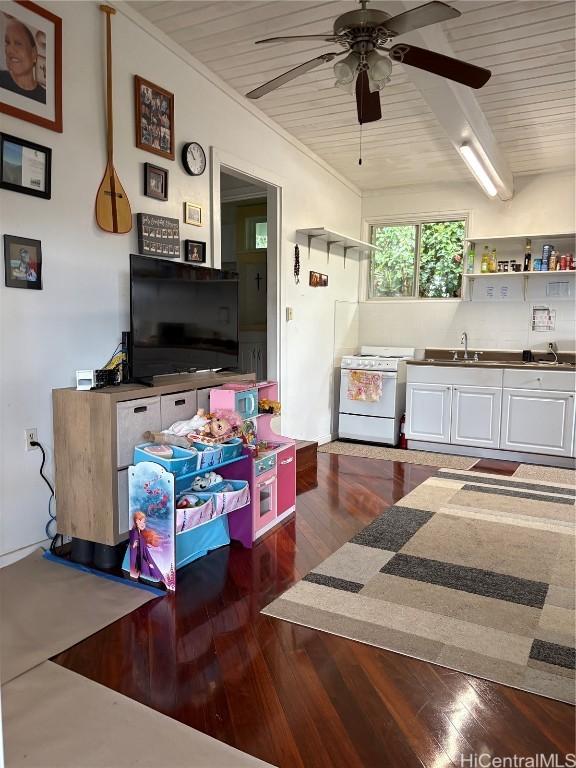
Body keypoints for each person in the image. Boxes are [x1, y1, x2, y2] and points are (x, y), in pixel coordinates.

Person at [0, 16, 46, 103]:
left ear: (33, 53)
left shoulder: (44, 97)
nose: (10, 50)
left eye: (18, 43)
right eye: (7, 42)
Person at [129, 510, 162, 582]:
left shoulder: (141, 534)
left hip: (142, 561)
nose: (143, 524)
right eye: (140, 521)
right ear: (136, 521)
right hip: (138, 563)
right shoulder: (135, 533)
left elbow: (143, 552)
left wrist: (148, 562)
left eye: (144, 522)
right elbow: (135, 551)